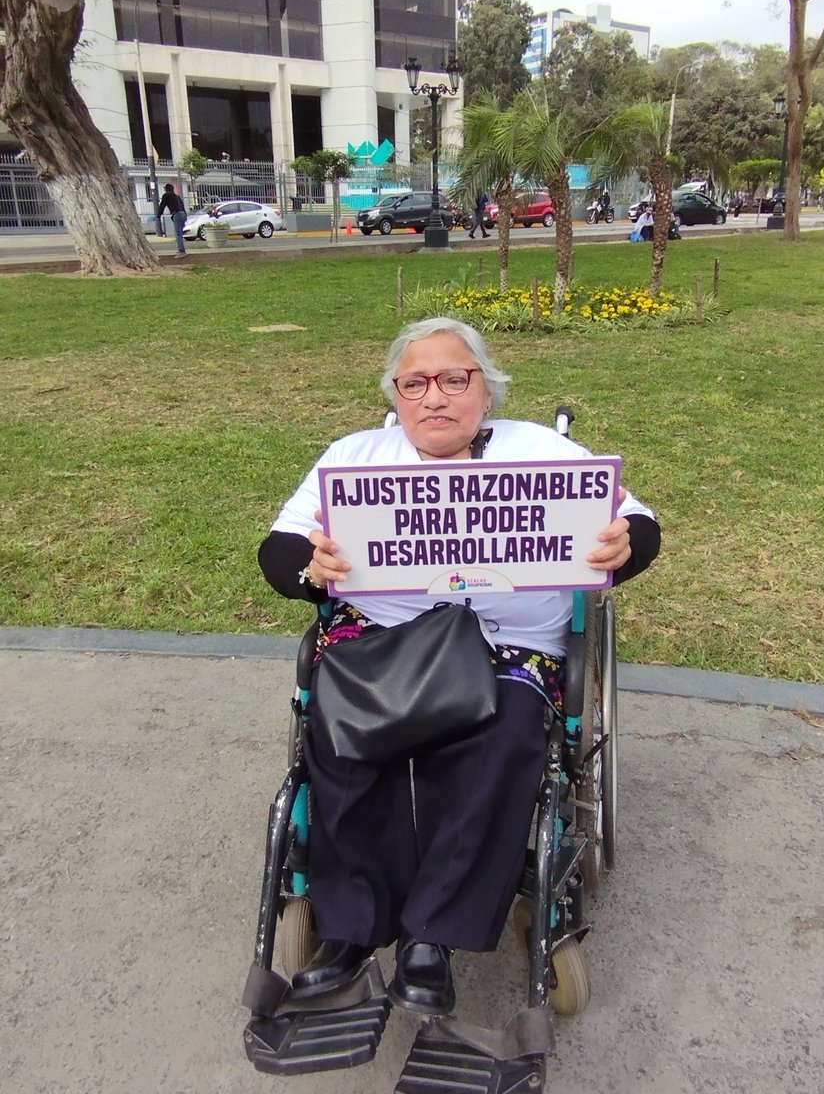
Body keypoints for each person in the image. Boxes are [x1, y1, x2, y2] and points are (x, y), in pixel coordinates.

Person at [257, 317, 660, 1016]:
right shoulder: (355, 457)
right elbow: (281, 545)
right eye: (415, 383)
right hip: (385, 643)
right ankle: (351, 931)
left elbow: (636, 525)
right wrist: (307, 566)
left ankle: (430, 939)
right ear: (396, 393)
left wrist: (623, 545)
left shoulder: (540, 449)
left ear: (485, 389)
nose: (434, 397)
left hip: (509, 646)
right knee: (345, 724)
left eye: (453, 379)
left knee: (502, 732)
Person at [158, 183, 188, 255]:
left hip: (176, 214)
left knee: (178, 233)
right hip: (183, 213)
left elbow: (162, 205)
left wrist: (158, 215)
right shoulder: (177, 196)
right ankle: (181, 249)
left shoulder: (166, 195)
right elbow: (182, 206)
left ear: (166, 189)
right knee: (180, 232)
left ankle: (182, 250)